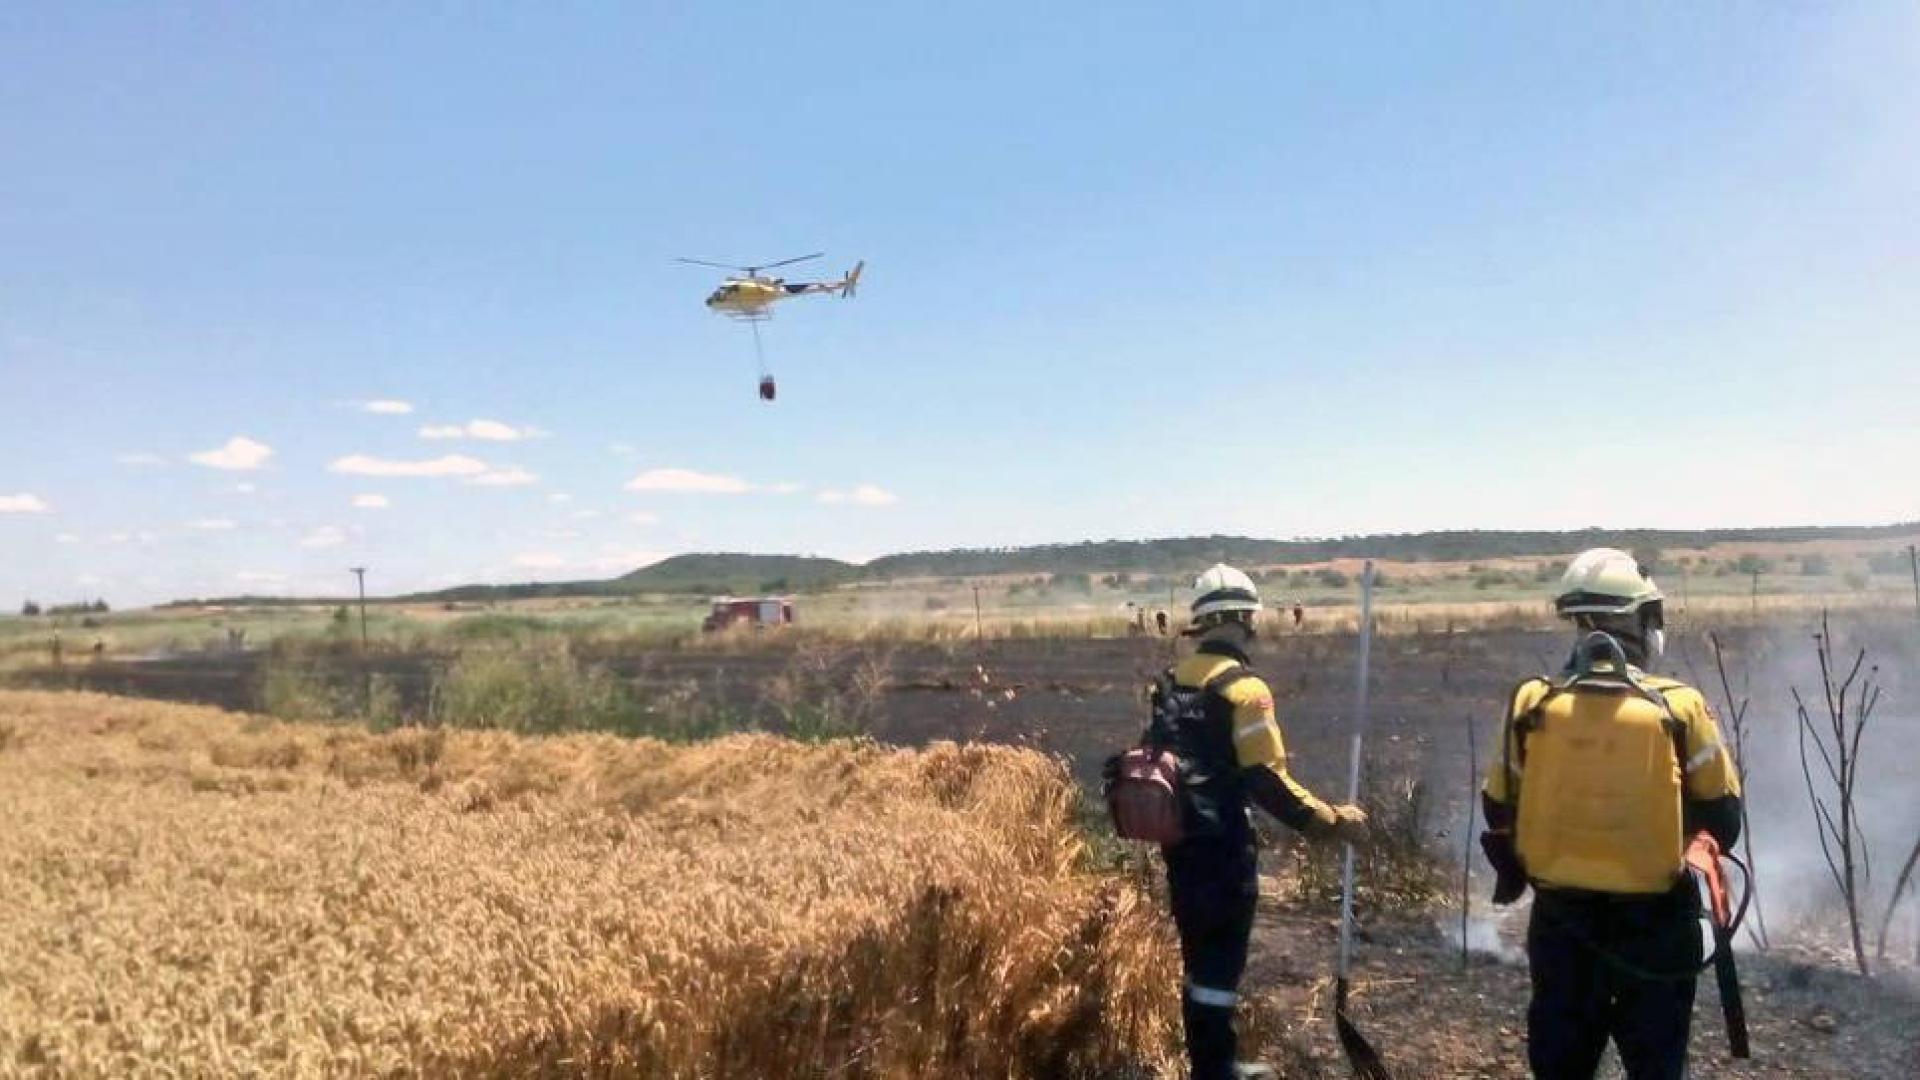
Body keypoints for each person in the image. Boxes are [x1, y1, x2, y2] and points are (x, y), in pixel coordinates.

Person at [1481, 548, 1742, 1080]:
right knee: (1657, 1063)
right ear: (1641, 622)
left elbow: (1497, 804)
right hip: (1657, 928)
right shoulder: (1680, 706)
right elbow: (1724, 820)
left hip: (1562, 924)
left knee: (1562, 1063)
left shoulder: (1531, 702)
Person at [1122, 563, 1370, 1080]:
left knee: (1198, 961)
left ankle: (1209, 1063)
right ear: (1244, 618)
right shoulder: (1245, 690)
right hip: (1224, 851)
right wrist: (1330, 821)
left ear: (1200, 621)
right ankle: (1217, 1071)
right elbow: (1267, 782)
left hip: (1180, 845)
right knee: (1217, 969)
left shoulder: (1169, 683)